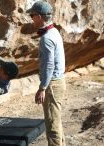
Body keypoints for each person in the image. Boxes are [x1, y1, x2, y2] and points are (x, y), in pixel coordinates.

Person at [27, 1, 66, 146]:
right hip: (58, 81)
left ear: (38, 16)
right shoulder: (54, 31)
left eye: (32, 15)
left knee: (52, 125)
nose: (31, 19)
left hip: (52, 85)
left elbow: (49, 65)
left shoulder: (46, 38)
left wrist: (42, 88)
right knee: (56, 121)